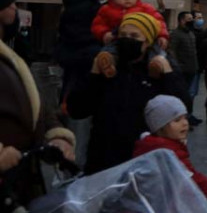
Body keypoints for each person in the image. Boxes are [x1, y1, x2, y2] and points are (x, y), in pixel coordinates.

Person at [68, 12, 187, 174]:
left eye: (134, 35)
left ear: (148, 40)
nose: (127, 39)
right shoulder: (106, 66)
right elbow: (77, 109)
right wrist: (94, 74)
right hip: (105, 158)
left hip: (147, 159)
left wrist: (168, 74)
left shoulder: (160, 69)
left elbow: (183, 107)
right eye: (123, 34)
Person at [0, 0, 76, 202]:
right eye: (11, 4)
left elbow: (35, 104)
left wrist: (57, 136)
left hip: (20, 183)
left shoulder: (11, 58)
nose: (15, 9)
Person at [133, 95, 207, 201]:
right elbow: (191, 181)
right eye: (177, 120)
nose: (185, 123)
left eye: (185, 117)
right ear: (160, 126)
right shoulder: (168, 151)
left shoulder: (151, 145)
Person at [54, 0, 102, 168]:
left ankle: (69, 174)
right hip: (87, 90)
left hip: (71, 89)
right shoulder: (94, 15)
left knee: (75, 141)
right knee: (81, 142)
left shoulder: (67, 20)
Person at [90, 0, 168, 47]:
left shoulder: (145, 8)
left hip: (141, 42)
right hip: (116, 41)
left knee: (156, 52)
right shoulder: (106, 10)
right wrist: (104, 33)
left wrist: (162, 36)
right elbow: (98, 25)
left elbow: (159, 22)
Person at [168, 11, 202, 126]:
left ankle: (189, 115)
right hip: (182, 70)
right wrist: (177, 67)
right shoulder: (176, 34)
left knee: (189, 95)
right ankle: (181, 118)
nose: (192, 21)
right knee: (182, 95)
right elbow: (172, 52)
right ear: (182, 20)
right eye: (189, 19)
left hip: (192, 68)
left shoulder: (190, 34)